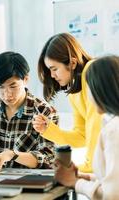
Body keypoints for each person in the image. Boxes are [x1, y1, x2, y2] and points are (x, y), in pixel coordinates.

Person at [32, 33, 102, 173]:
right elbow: (82, 136)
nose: (52, 75)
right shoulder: (74, 93)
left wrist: (90, 164)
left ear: (73, 63)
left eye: (54, 69)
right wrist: (49, 130)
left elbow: (97, 123)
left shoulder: (92, 70)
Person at [54, 55, 119, 199]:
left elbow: (113, 194)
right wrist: (86, 177)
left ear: (100, 89)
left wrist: (75, 182)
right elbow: (113, 180)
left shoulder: (114, 130)